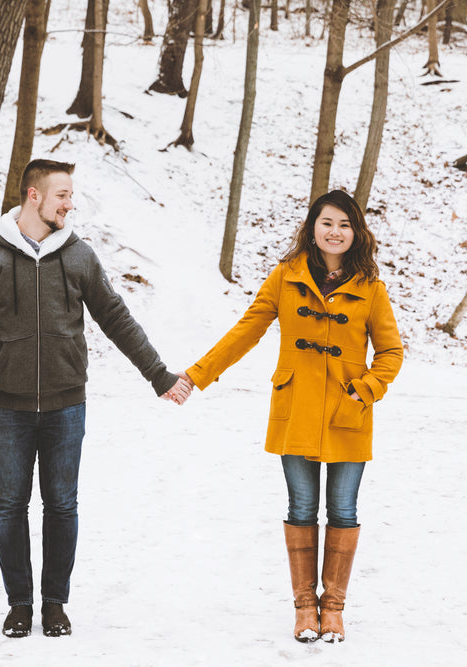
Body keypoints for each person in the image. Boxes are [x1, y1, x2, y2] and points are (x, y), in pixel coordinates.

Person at [0, 158, 192, 639]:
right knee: (9, 508)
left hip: (66, 406)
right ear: (34, 195)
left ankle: (55, 605)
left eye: (70, 195)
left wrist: (158, 374)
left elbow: (116, 318)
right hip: (7, 407)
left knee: (62, 507)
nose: (70, 203)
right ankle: (20, 605)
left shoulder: (79, 256)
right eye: (62, 194)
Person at [180, 190, 403, 643]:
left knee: (343, 509)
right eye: (327, 223)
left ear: (356, 232)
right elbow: (247, 330)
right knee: (301, 506)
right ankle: (305, 608)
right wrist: (197, 374)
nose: (335, 232)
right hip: (296, 409)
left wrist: (364, 392)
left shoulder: (370, 288)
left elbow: (391, 352)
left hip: (348, 412)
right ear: (312, 227)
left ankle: (334, 610)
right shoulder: (285, 278)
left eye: (344, 224)